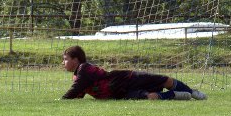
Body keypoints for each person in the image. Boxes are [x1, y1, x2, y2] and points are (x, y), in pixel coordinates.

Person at [60, 45, 207, 101]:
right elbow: (78, 93)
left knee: (164, 80)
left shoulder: (84, 69)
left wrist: (62, 100)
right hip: (120, 94)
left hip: (126, 79)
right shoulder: (78, 75)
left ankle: (192, 92)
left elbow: (75, 90)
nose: (63, 62)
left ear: (76, 59)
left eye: (65, 59)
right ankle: (173, 95)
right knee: (151, 98)